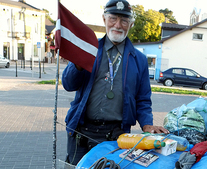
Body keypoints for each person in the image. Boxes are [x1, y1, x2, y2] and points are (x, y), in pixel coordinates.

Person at [61, 0, 169, 165]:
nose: (118, 25)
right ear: (104, 20)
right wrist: (78, 64)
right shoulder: (89, 48)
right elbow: (68, 84)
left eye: (124, 20)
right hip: (82, 132)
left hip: (116, 136)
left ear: (131, 24)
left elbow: (143, 99)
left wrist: (147, 124)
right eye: (113, 18)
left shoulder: (139, 60)